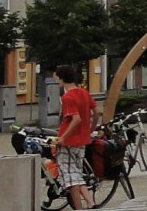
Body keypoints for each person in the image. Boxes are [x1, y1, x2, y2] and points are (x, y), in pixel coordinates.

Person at [53, 65, 95, 209]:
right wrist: (91, 129)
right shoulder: (84, 93)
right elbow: (96, 112)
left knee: (70, 179)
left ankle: (79, 208)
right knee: (76, 174)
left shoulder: (68, 96)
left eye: (57, 77)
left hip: (69, 142)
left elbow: (76, 119)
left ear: (62, 78)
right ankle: (90, 202)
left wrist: (63, 137)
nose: (56, 80)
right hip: (83, 140)